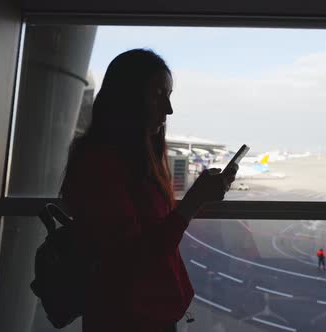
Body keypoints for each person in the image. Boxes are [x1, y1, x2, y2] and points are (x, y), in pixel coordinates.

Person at [60, 49, 238, 332]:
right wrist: (193, 201)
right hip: (128, 317)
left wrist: (199, 197)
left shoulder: (136, 159)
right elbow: (133, 258)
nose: (168, 109)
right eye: (158, 94)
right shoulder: (100, 165)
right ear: (127, 97)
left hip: (145, 313)